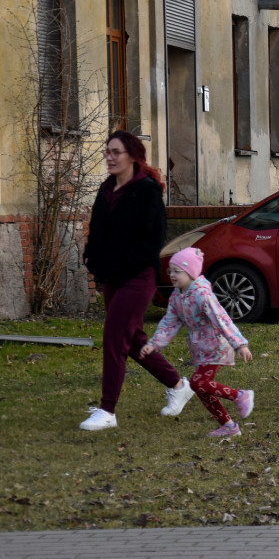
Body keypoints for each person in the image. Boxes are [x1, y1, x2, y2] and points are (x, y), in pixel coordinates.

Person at [79, 130, 195, 431]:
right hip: (112, 277)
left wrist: (120, 263)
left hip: (138, 277)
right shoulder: (106, 189)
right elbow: (97, 231)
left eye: (116, 152)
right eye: (107, 151)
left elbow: (151, 241)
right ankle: (177, 384)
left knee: (114, 338)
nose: (109, 157)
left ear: (132, 156)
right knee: (131, 341)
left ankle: (107, 411)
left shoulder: (146, 191)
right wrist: (91, 257)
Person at [140, 248, 255, 437]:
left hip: (216, 347)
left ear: (191, 272)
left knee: (197, 382)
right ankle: (229, 426)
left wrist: (240, 343)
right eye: (170, 271)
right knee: (202, 388)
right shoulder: (178, 295)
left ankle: (240, 396)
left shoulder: (202, 294)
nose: (172, 275)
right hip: (200, 350)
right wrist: (155, 343)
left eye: (178, 271)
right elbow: (171, 321)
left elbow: (222, 319)